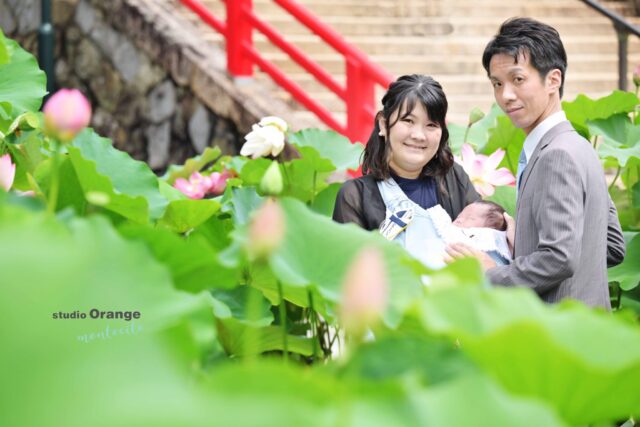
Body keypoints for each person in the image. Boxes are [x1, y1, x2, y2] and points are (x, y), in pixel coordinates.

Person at [446, 17, 626, 308]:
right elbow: (613, 246)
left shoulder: (556, 156)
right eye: (497, 83)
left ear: (553, 80)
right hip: (590, 333)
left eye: (518, 79)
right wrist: (527, 244)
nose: (505, 95)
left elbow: (560, 258)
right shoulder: (580, 146)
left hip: (560, 337)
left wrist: (492, 273)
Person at [333, 74, 481, 266]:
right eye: (408, 121)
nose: (418, 135)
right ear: (383, 124)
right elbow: (350, 274)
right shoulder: (355, 196)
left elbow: (482, 239)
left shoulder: (454, 179)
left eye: (431, 125)